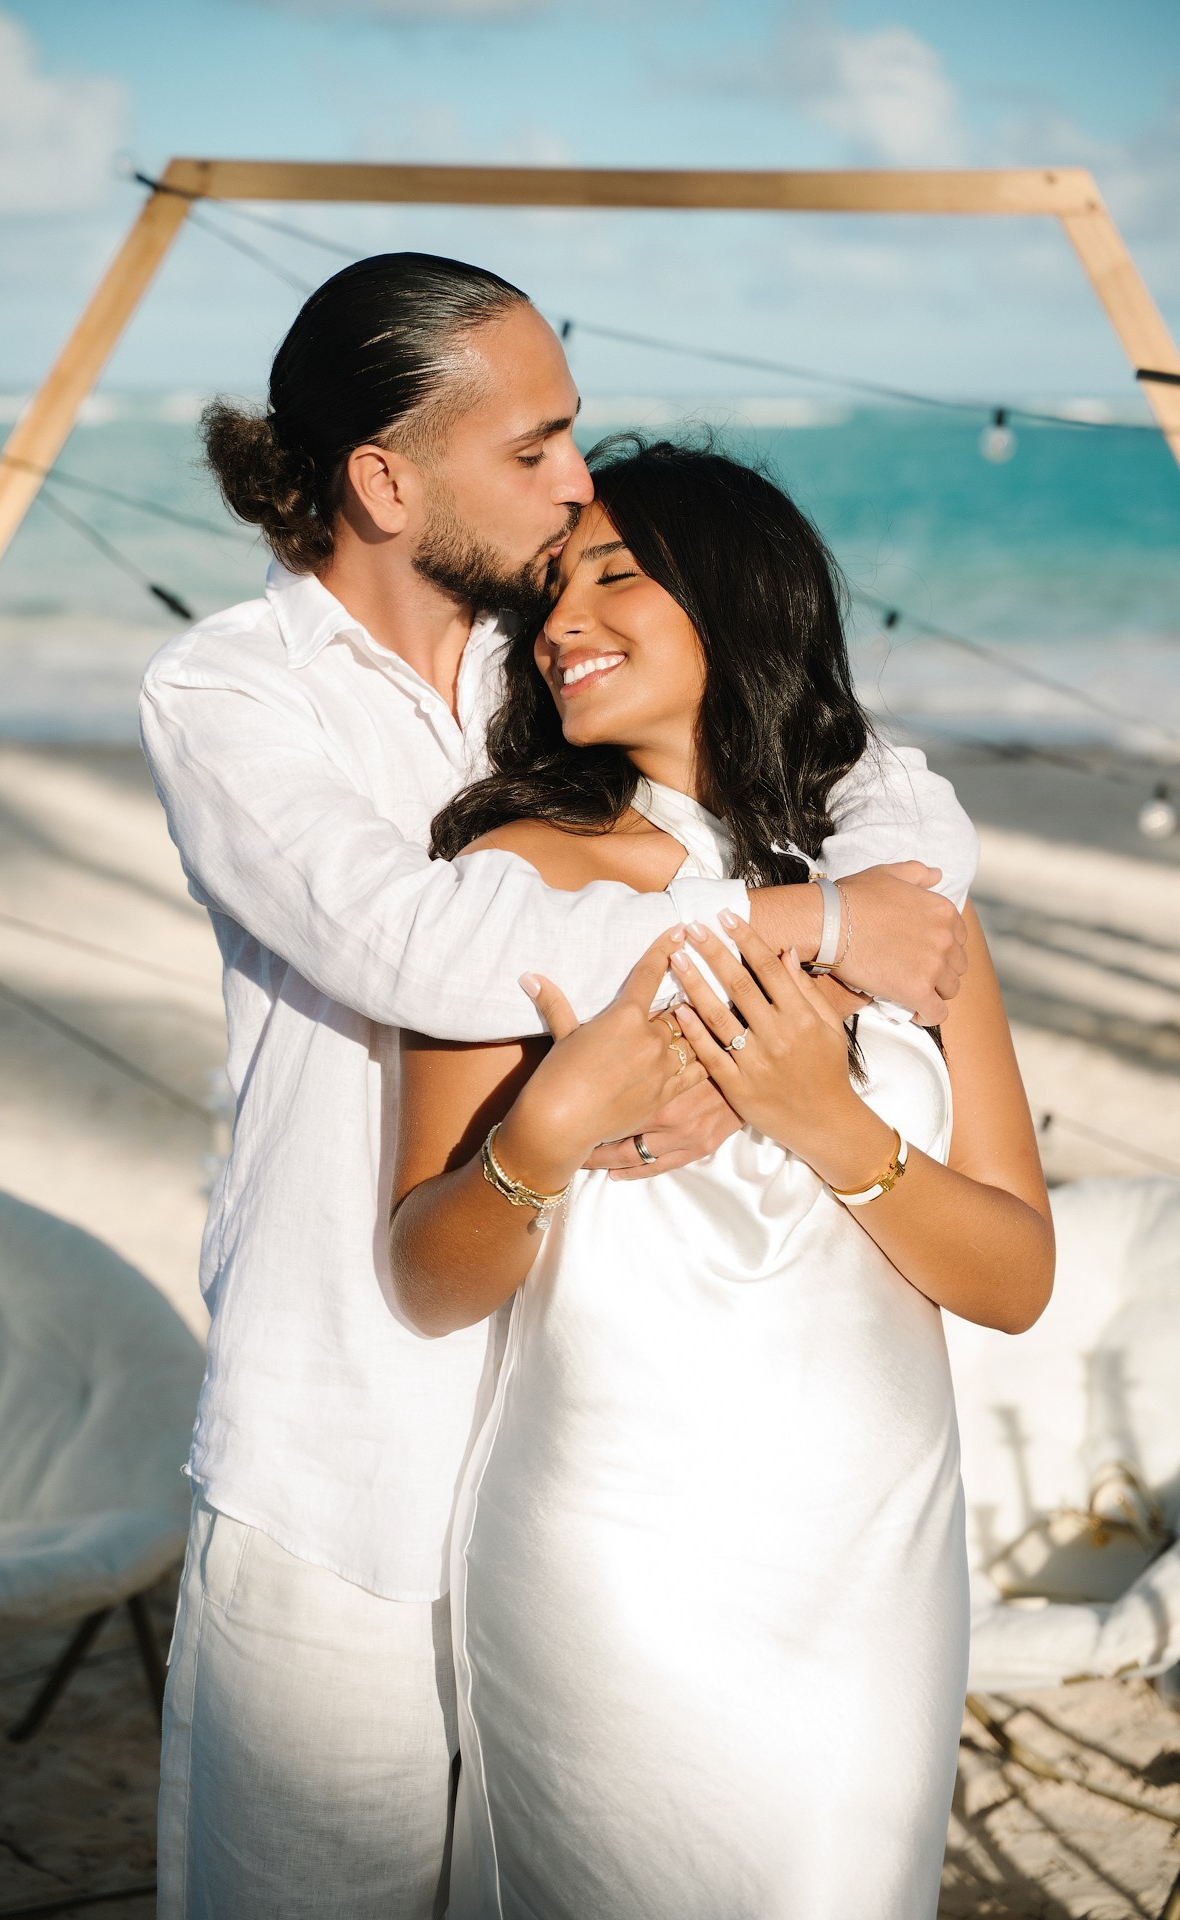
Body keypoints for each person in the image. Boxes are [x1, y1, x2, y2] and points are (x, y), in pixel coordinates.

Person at [140, 255, 977, 1920]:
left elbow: (895, 801)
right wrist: (796, 927)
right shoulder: (231, 694)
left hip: (610, 1463)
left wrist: (772, 1036)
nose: (576, 483)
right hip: (355, 1435)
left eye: (572, 438)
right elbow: (422, 940)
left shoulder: (562, 643)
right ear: (387, 480)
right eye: (533, 450)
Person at [390, 439, 1055, 1920]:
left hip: (870, 1558)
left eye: (617, 571)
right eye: (552, 586)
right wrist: (544, 1137)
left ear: (742, 595)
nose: (562, 618)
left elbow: (1013, 1279)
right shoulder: (514, 877)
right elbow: (427, 1277)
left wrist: (830, 1126)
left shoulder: (900, 907)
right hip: (613, 1551)